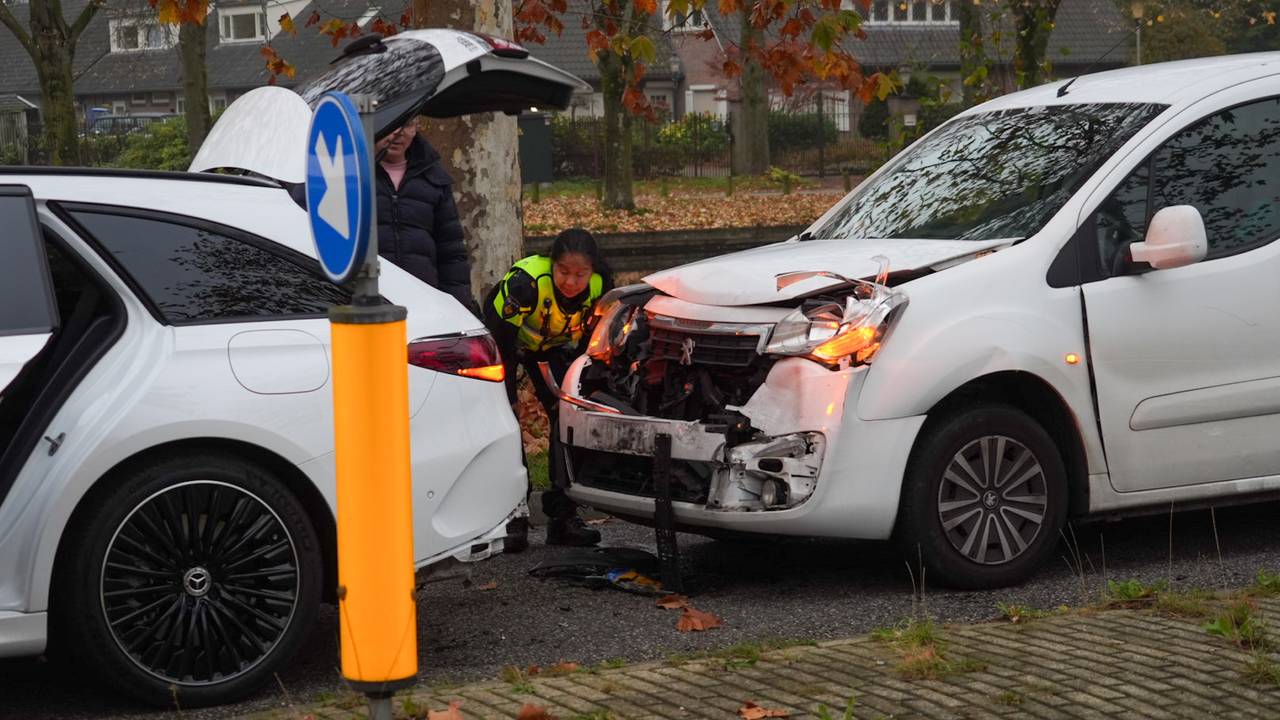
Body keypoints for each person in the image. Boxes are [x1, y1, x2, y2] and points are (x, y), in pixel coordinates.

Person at [484, 229, 612, 550]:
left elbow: (592, 340)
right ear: (551, 264)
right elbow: (500, 338)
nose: (571, 282)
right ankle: (512, 515)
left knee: (567, 417)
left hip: (552, 347)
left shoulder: (601, 287)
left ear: (592, 271)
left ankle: (562, 514)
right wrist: (509, 396)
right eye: (563, 272)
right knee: (507, 424)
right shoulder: (525, 284)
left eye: (580, 275)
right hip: (505, 345)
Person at [374, 119, 477, 313]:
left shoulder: (435, 177)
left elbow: (451, 250)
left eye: (407, 124)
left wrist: (459, 307)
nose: (398, 133)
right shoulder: (348, 173)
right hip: (367, 304)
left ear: (416, 127)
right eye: (392, 123)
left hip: (423, 304)